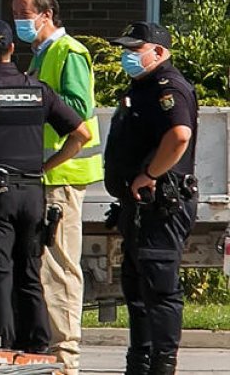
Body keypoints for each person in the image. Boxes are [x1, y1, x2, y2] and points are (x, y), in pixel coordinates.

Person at [0, 18, 91, 352]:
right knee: (30, 271)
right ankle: (37, 347)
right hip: (32, 193)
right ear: (12, 48)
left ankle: (3, 347)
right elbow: (80, 134)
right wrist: (46, 166)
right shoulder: (37, 89)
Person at [11, 0, 102, 374]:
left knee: (60, 268)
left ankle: (66, 362)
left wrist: (38, 97)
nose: (18, 23)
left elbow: (78, 109)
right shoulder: (43, 54)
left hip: (62, 175)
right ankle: (53, 355)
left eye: (23, 14)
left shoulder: (69, 52)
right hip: (47, 174)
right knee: (44, 267)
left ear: (46, 15)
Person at [104, 22, 198, 375]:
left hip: (162, 203)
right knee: (137, 286)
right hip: (140, 206)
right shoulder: (141, 87)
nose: (128, 56)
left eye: (134, 50)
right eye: (125, 50)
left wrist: (151, 174)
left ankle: (162, 365)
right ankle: (140, 362)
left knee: (159, 289)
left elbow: (179, 136)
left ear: (158, 52)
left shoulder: (168, 87)